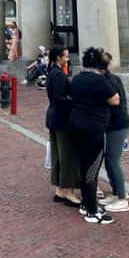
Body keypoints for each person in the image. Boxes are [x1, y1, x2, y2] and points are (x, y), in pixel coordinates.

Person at [68, 47, 120, 225]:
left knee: (83, 166)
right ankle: (91, 210)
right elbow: (115, 99)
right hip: (94, 129)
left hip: (76, 125)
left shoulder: (77, 78)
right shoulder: (98, 80)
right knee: (92, 168)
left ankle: (86, 202)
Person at [45, 47, 80, 208]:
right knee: (67, 155)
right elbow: (60, 99)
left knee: (58, 153)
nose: (67, 58)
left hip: (54, 118)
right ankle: (68, 191)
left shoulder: (53, 72)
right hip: (62, 119)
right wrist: (75, 101)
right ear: (58, 58)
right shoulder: (58, 75)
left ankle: (60, 189)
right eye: (65, 56)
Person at [100, 51, 129, 213]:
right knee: (109, 159)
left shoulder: (107, 81)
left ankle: (122, 197)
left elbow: (113, 102)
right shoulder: (111, 78)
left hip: (117, 124)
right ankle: (115, 191)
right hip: (115, 124)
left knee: (113, 160)